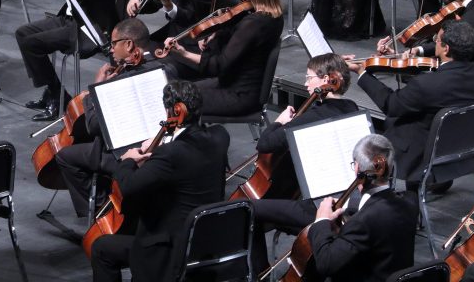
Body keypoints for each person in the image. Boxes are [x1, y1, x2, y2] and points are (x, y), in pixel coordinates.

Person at [90, 80, 231, 282]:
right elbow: (192, 147)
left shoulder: (170, 154)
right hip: (206, 242)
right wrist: (166, 141)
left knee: (101, 248)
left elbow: (128, 186)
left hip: (169, 252)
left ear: (174, 111)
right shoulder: (221, 137)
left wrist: (127, 160)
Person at [347, 20, 474, 203]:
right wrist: (404, 64)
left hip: (425, 154)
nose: (435, 42)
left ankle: (398, 195)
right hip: (466, 149)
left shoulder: (427, 85)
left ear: (446, 48)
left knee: (391, 123)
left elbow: (391, 105)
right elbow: (441, 86)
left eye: (436, 40)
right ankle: (439, 181)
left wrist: (363, 74)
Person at [249, 134, 417, 281]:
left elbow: (326, 264)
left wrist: (321, 220)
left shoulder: (363, 221)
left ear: (357, 168)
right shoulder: (410, 202)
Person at [55, 18, 163, 217]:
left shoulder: (121, 82)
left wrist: (95, 90)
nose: (111, 49)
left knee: (65, 157)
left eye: (114, 43)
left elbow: (93, 125)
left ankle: (103, 213)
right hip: (161, 150)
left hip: (129, 154)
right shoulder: (166, 67)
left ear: (129, 44)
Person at [164, 0, 283, 117]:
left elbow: (219, 66)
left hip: (238, 94)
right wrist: (216, 34)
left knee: (175, 100)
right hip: (238, 85)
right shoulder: (275, 16)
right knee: (179, 90)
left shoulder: (254, 24)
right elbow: (243, 41)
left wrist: (184, 54)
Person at [251, 53, 358, 199]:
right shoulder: (351, 106)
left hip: (318, 194)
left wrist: (279, 121)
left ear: (326, 79)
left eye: (309, 78)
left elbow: (264, 144)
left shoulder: (314, 117)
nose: (306, 83)